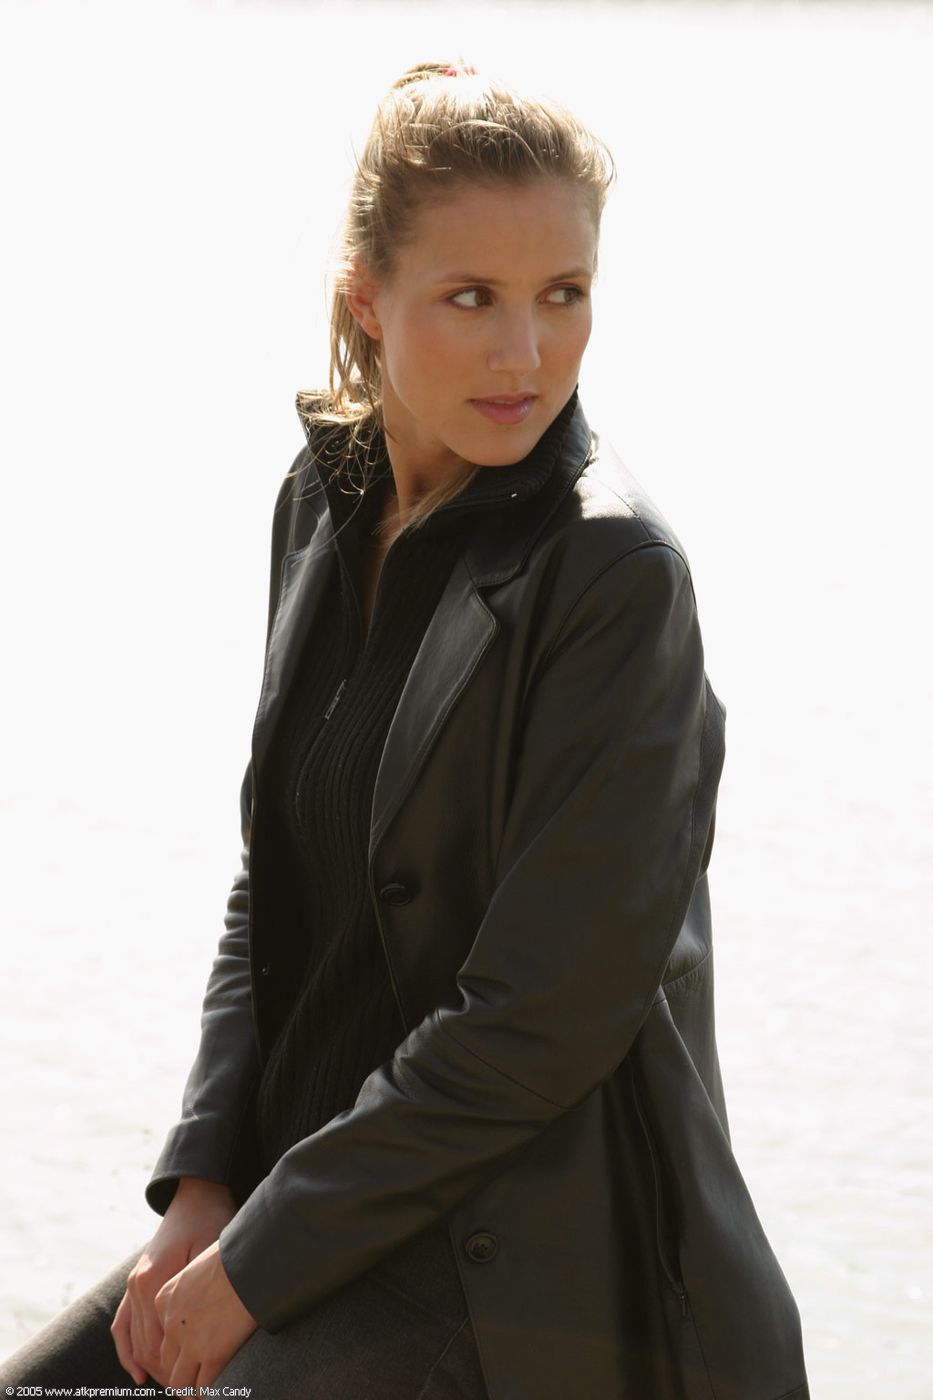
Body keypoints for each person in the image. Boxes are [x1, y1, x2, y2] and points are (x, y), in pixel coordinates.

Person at [1, 60, 810, 1400]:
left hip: (513, 1263)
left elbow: (538, 1022)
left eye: (563, 294)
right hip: (307, 1196)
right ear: (364, 301)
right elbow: (275, 877)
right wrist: (204, 1188)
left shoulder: (617, 580)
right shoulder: (322, 503)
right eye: (471, 297)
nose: (525, 353)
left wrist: (258, 1262)